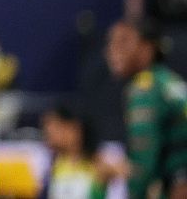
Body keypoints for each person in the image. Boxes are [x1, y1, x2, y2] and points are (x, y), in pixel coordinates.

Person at [104, 18, 187, 199]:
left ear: (148, 48)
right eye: (110, 42)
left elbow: (144, 165)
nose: (113, 49)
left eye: (124, 41)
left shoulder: (145, 89)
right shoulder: (168, 80)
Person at [41, 105, 107, 199]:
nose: (48, 132)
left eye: (56, 127)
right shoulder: (54, 165)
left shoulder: (97, 164)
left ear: (74, 129)